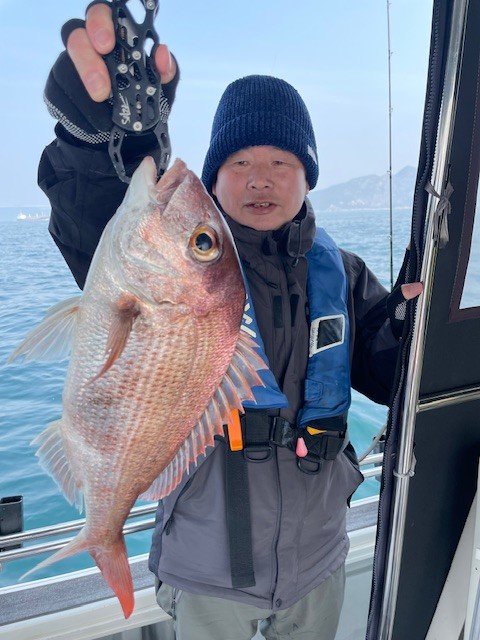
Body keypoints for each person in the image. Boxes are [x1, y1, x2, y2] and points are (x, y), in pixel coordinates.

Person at [38, 3, 423, 639]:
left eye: (282, 163)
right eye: (239, 163)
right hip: (207, 570)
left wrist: (404, 327)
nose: (260, 180)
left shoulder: (342, 273)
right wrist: (98, 147)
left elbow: (385, 376)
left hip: (318, 558)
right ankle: (102, 527)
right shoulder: (186, 263)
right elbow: (100, 226)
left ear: (309, 177)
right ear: (215, 177)